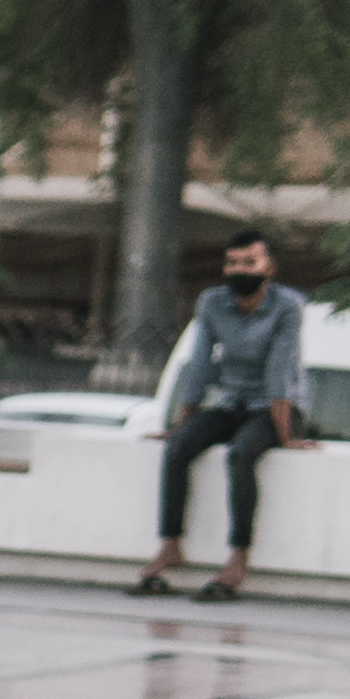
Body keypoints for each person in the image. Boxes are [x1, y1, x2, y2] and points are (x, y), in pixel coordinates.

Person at [131, 230, 311, 601]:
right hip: (233, 402)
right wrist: (182, 424)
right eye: (232, 263)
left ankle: (238, 558)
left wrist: (286, 436)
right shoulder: (212, 302)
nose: (240, 270)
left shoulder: (288, 306)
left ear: (269, 268)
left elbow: (280, 371)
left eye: (250, 262)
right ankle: (170, 545)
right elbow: (199, 365)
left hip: (279, 408)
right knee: (178, 448)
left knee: (241, 455)